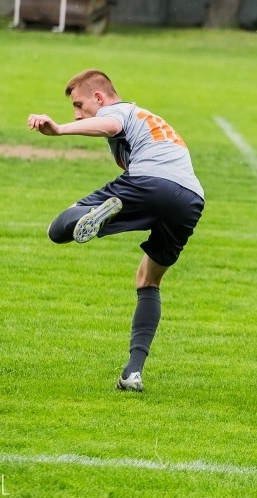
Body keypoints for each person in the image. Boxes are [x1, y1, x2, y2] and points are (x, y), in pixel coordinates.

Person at [27, 69, 205, 392]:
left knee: (57, 228)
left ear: (99, 98)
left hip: (150, 182)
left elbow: (111, 123)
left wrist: (61, 129)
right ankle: (132, 373)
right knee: (147, 280)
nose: (78, 114)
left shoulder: (119, 111)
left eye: (80, 105)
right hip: (190, 199)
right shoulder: (149, 121)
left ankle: (96, 216)